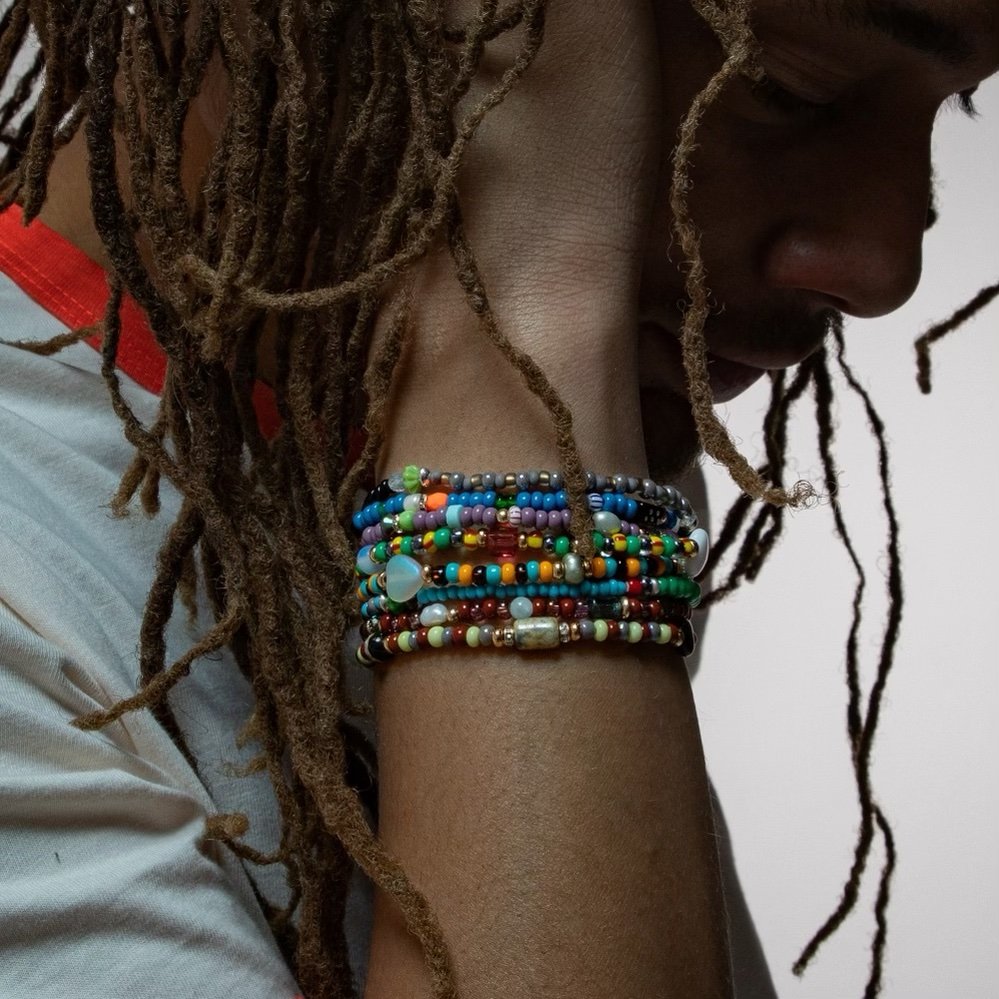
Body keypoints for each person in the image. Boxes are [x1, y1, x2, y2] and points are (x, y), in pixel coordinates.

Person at [0, 1, 995, 997]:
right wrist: (525, 331)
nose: (884, 265)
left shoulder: (473, 436)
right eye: (782, 86)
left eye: (953, 110)